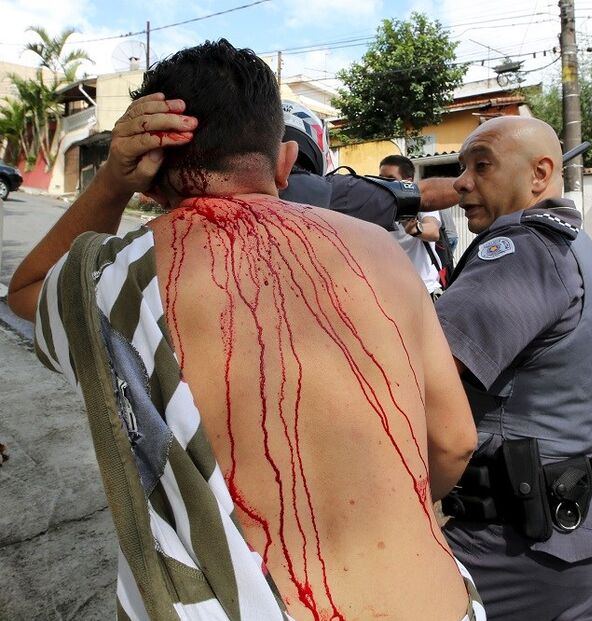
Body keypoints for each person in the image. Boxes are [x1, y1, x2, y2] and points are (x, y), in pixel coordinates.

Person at [8, 40, 485, 621]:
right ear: (285, 162)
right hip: (437, 602)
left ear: (150, 180)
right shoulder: (383, 254)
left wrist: (110, 181)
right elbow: (455, 440)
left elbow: (27, 291)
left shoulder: (114, 279)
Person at [435, 116, 592, 620]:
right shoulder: (567, 240)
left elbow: (418, 371)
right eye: (462, 168)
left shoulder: (520, 246)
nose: (461, 182)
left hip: (516, 536)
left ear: (540, 174)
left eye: (482, 166)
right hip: (578, 519)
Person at [280, 101, 459, 230]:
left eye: (389, 179)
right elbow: (424, 194)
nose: (384, 181)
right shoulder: (333, 192)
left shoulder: (253, 187)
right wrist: (479, 181)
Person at [379, 155, 444, 299]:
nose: (384, 184)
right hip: (393, 292)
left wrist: (416, 229)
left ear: (407, 182)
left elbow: (433, 231)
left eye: (390, 178)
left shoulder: (420, 203)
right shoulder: (379, 206)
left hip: (424, 290)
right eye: (381, 178)